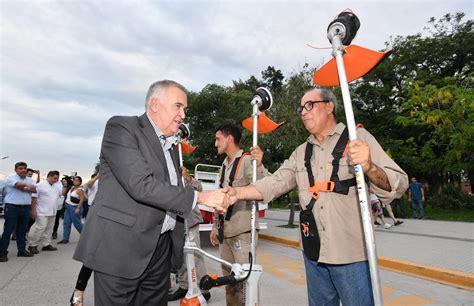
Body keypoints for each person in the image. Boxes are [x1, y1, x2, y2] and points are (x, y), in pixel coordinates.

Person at [223, 88, 408, 306]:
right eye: (301, 108)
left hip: (351, 254)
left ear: (329, 106)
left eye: (309, 105)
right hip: (313, 252)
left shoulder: (358, 139)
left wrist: (369, 166)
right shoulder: (301, 152)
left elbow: (398, 183)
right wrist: (237, 193)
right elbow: (276, 182)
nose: (303, 112)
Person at [73, 79, 229, 305]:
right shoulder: (122, 128)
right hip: (120, 249)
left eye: (184, 109)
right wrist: (201, 197)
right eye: (179, 106)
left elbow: (170, 191)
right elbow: (141, 185)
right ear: (155, 104)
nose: (183, 114)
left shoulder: (172, 147)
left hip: (160, 251)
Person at [207, 121, 268, 305]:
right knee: (230, 283)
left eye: (218, 139)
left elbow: (265, 187)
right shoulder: (225, 165)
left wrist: (259, 166)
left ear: (229, 138)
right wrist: (214, 227)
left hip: (243, 234)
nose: (215, 143)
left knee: (247, 284)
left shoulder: (248, 161)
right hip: (225, 233)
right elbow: (220, 199)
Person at [168, 167, 211, 302]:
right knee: (179, 256)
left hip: (190, 221)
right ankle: (184, 286)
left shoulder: (183, 173)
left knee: (196, 257)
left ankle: (204, 289)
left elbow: (199, 188)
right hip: (175, 223)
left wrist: (187, 177)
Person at [0, 162, 38, 262]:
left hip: (25, 208)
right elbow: (18, 184)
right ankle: (2, 253)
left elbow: (34, 190)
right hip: (12, 207)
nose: (23, 170)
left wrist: (25, 186)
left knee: (22, 231)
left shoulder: (31, 179)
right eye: (20, 168)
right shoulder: (11, 178)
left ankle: (21, 251)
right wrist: (27, 187)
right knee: (8, 231)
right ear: (16, 170)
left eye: (24, 168)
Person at [27, 171, 62, 254]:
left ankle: (46, 244)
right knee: (40, 227)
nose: (56, 180)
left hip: (52, 211)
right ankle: (32, 245)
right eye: (54, 178)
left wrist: (66, 185)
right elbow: (34, 198)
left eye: (57, 178)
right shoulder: (40, 185)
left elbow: (61, 195)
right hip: (41, 211)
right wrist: (33, 210)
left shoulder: (56, 187)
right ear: (49, 176)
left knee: (49, 228)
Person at [58, 176, 85, 244]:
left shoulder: (80, 190)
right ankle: (65, 239)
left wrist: (78, 208)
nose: (75, 181)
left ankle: (86, 235)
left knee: (77, 224)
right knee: (66, 223)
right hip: (67, 207)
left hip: (74, 207)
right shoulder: (72, 188)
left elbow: (82, 199)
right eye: (74, 180)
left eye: (77, 180)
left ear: (80, 182)